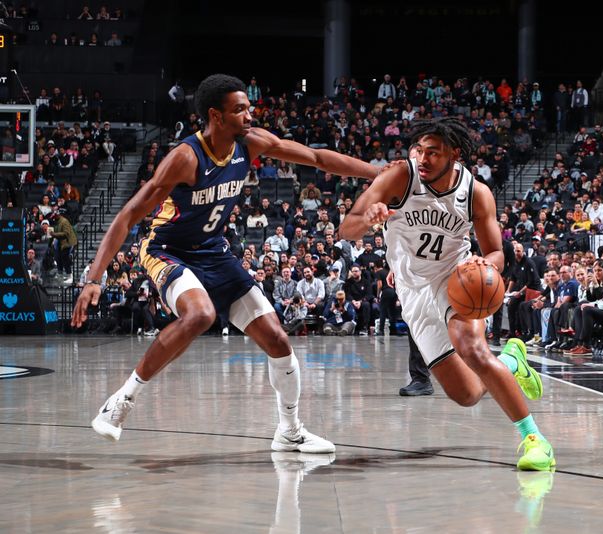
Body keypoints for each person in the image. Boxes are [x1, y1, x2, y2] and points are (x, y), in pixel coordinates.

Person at [71, 74, 380, 453]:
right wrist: (95, 279)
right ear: (216, 116)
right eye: (240, 109)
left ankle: (290, 430)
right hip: (167, 249)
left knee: (278, 340)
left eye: (249, 107)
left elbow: (317, 158)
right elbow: (128, 215)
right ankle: (122, 400)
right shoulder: (185, 158)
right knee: (199, 315)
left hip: (213, 252)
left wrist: (378, 172)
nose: (250, 115)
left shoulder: (250, 144)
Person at [339, 117, 554, 471]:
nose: (422, 159)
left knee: (473, 348)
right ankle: (513, 362)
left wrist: (484, 266)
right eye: (418, 150)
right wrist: (369, 219)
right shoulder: (398, 177)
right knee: (466, 394)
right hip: (412, 291)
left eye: (433, 153)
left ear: (455, 154)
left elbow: (497, 252)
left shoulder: (476, 193)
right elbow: (346, 229)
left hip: (454, 279)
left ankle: (535, 441)